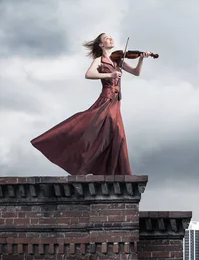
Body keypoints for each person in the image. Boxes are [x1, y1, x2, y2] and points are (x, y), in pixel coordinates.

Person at [31, 32, 151, 175]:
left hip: (115, 103)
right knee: (94, 131)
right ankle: (76, 158)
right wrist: (110, 75)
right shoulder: (99, 60)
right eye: (106, 38)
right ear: (101, 45)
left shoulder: (118, 60)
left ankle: (110, 172)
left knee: (117, 136)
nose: (111, 39)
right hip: (106, 100)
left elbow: (136, 72)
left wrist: (141, 59)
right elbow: (89, 74)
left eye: (111, 37)